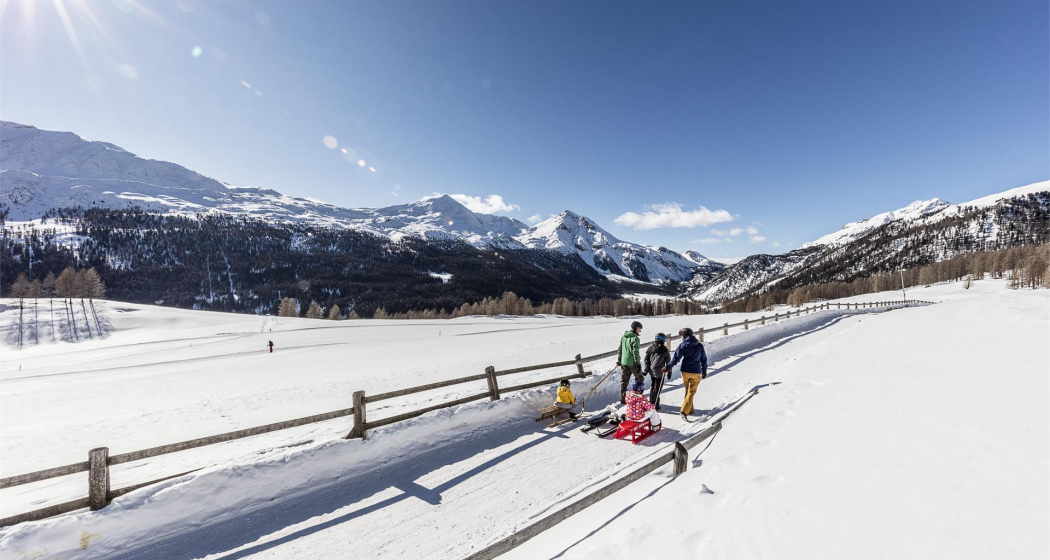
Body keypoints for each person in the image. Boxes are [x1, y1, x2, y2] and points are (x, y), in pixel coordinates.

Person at [668, 327, 708, 419]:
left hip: (685, 371)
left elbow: (676, 358)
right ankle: (684, 411)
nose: (681, 337)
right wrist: (704, 370)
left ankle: (690, 410)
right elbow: (703, 359)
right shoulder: (699, 345)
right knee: (691, 391)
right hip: (696, 371)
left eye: (682, 335)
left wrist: (669, 366)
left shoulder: (683, 345)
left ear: (685, 335)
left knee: (688, 390)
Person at [616, 321, 644, 404]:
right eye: (639, 328)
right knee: (640, 378)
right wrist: (638, 364)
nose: (640, 331)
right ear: (636, 328)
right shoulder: (635, 338)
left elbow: (620, 349)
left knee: (624, 381)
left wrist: (619, 360)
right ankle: (637, 397)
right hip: (632, 363)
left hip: (624, 362)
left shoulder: (623, 337)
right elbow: (635, 352)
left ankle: (622, 399)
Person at [643, 333, 672, 409]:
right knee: (657, 389)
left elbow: (646, 360)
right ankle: (654, 405)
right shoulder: (664, 350)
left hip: (652, 372)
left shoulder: (650, 348)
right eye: (664, 339)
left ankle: (651, 403)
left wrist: (646, 369)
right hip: (660, 372)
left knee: (653, 387)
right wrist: (669, 371)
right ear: (661, 340)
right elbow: (668, 362)